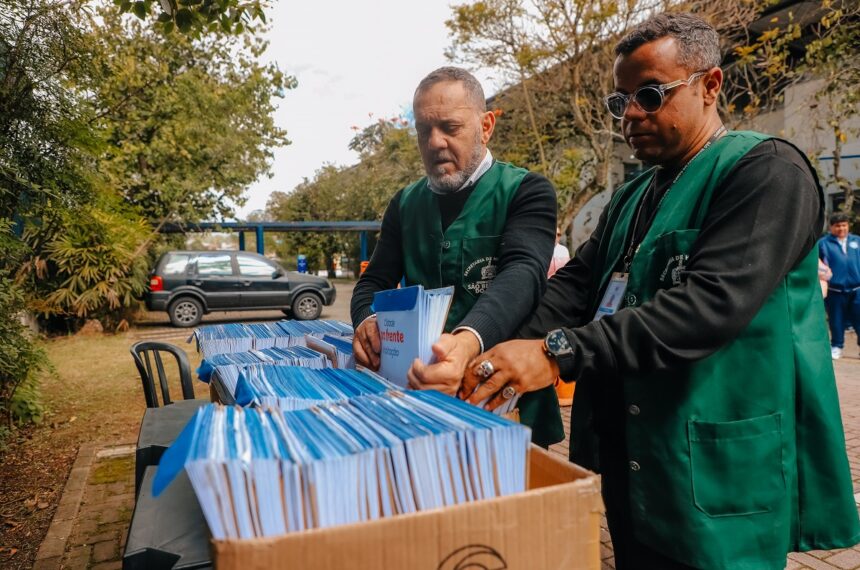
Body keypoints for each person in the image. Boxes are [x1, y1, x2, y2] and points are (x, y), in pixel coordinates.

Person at [459, 13, 859, 570]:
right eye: (620, 101)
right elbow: (577, 286)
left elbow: (709, 306)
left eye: (651, 94)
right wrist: (492, 355)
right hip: (636, 456)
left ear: (710, 85)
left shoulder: (765, 171)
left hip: (718, 461)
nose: (632, 116)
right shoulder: (632, 194)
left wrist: (558, 353)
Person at [350, 66, 564, 446]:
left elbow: (524, 273)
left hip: (508, 403)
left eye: (450, 128)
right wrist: (366, 319)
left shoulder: (527, 191)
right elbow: (373, 281)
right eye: (423, 131)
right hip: (423, 404)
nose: (434, 143)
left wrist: (468, 341)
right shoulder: (404, 204)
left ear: (486, 126)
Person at [818, 212, 860, 359]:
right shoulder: (823, 243)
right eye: (838, 226)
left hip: (857, 289)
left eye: (844, 225)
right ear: (831, 227)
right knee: (836, 320)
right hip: (835, 290)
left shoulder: (857, 241)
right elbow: (818, 264)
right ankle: (836, 346)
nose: (841, 228)